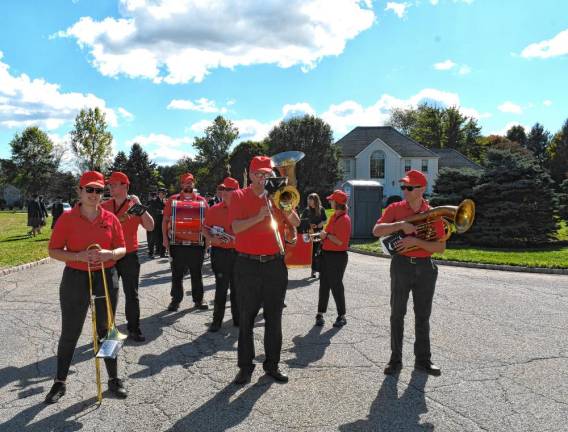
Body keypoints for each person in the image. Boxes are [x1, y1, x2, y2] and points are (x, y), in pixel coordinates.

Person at [45, 171, 128, 404]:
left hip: (105, 274)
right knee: (70, 330)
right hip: (75, 276)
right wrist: (79, 256)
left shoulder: (110, 218)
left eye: (99, 190)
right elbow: (53, 250)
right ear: (79, 191)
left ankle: (114, 378)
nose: (94, 194)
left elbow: (122, 248)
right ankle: (59, 382)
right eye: (89, 189)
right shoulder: (67, 218)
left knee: (108, 329)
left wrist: (109, 254)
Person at [229, 156, 300, 385]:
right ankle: (245, 367)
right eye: (259, 174)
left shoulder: (278, 196)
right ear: (250, 175)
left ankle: (272, 365)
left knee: (274, 318)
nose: (263, 178)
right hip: (247, 265)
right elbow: (236, 228)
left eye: (268, 174)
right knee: (246, 318)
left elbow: (296, 223)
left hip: (274, 264)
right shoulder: (238, 196)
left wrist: (284, 206)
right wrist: (259, 216)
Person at [372, 169, 446, 377]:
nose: (404, 190)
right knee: (397, 314)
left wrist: (416, 241)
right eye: (403, 186)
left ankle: (423, 360)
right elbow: (376, 231)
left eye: (409, 187)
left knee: (423, 316)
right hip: (401, 265)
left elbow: (440, 247)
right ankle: (395, 360)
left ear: (421, 189)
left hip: (425, 267)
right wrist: (400, 225)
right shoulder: (395, 208)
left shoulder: (432, 213)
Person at [101, 172, 155, 342]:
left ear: (125, 186)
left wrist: (139, 205)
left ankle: (134, 328)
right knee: (108, 294)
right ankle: (107, 330)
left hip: (129, 255)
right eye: (109, 184)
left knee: (131, 293)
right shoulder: (104, 205)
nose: (110, 187)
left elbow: (151, 226)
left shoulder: (134, 205)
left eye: (114, 184)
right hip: (109, 255)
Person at [162, 173, 209, 311]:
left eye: (190, 182)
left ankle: (199, 299)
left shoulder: (202, 200)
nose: (188, 184)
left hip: (196, 245)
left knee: (196, 273)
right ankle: (175, 300)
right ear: (181, 184)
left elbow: (208, 222)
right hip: (177, 245)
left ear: (193, 183)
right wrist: (165, 239)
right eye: (185, 182)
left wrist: (208, 242)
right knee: (177, 273)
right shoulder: (172, 199)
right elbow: (165, 221)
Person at [203, 177, 240, 332]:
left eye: (228, 189)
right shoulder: (214, 209)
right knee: (221, 288)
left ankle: (238, 320)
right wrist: (211, 238)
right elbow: (204, 229)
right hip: (220, 254)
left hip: (240, 254)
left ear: (237, 191)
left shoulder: (244, 209)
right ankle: (216, 321)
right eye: (222, 189)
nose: (224, 192)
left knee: (238, 289)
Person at [315, 190, 352, 328]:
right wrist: (322, 235)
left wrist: (326, 235)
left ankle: (341, 315)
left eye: (332, 200)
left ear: (337, 203)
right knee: (324, 285)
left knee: (336, 286)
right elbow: (328, 233)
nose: (330, 201)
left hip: (337, 257)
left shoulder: (344, 219)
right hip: (327, 254)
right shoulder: (334, 217)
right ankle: (320, 314)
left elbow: (340, 242)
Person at [300, 193, 327, 278]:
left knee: (319, 253)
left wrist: (321, 223)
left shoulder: (321, 209)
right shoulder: (306, 210)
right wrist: (309, 225)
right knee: (312, 253)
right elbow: (301, 222)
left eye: (311, 199)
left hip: (319, 233)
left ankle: (320, 270)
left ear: (316, 200)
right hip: (310, 234)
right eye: (309, 199)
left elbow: (325, 219)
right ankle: (313, 270)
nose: (309, 201)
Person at [148, 188, 167, 258]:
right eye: (162, 193)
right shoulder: (153, 201)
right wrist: (161, 212)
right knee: (152, 238)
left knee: (163, 237)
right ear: (159, 193)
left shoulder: (165, 201)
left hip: (162, 222)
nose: (163, 195)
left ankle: (162, 253)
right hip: (155, 222)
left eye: (164, 193)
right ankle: (151, 253)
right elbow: (151, 210)